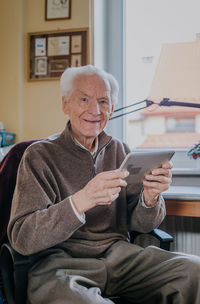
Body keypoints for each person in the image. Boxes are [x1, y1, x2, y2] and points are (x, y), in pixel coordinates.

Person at [8, 65, 200, 304]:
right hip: (61, 264)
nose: (95, 110)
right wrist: (81, 201)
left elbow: (142, 225)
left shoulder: (121, 150)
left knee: (194, 271)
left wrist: (150, 198)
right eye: (84, 99)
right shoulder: (38, 155)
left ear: (112, 108)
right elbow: (23, 238)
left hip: (121, 257)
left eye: (103, 101)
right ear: (65, 105)